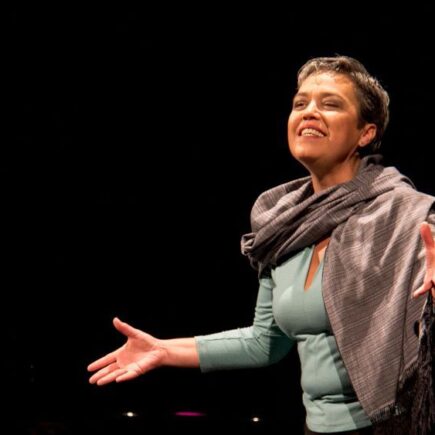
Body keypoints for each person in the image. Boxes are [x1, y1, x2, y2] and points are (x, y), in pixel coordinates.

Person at [87, 55, 435, 435]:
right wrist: (163, 350)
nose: (309, 112)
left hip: (393, 424)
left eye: (330, 104)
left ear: (365, 133)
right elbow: (265, 342)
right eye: (300, 103)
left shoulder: (403, 213)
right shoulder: (282, 224)